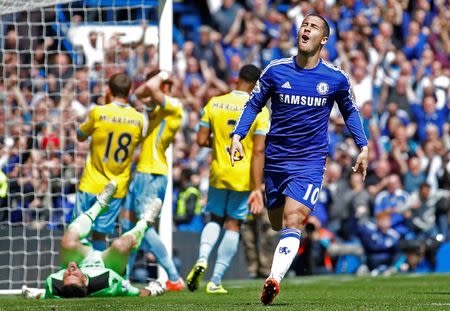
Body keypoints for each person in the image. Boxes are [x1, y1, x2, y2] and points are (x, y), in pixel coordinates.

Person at [230, 14, 368, 305]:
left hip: (310, 162)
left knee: (296, 219)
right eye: (304, 24)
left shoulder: (335, 77)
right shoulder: (276, 70)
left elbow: (350, 112)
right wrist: (237, 135)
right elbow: (253, 103)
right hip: (276, 161)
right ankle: (278, 266)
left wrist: (363, 145)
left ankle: (273, 279)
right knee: (277, 221)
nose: (306, 28)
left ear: (324, 39)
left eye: (313, 26)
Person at [186, 64, 269, 294]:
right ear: (255, 86)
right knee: (233, 224)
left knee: (214, 217)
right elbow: (259, 152)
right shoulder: (260, 110)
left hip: (219, 171)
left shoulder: (215, 103)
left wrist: (220, 139)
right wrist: (256, 187)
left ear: (236, 80)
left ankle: (202, 258)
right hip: (243, 175)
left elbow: (201, 140)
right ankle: (215, 281)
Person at [22, 181, 165, 299]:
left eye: (67, 275)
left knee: (67, 241)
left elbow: (47, 294)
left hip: (82, 260)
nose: (70, 271)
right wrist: (154, 290)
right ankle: (146, 222)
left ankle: (100, 205)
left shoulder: (54, 285)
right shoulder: (108, 284)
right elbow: (136, 292)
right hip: (110, 267)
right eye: (74, 275)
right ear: (84, 280)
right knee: (121, 245)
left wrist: (36, 294)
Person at [122, 70, 184, 291]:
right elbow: (140, 92)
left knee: (143, 226)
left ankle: (174, 278)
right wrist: (159, 77)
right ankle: (124, 278)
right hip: (142, 173)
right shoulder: (156, 108)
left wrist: (164, 74)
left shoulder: (174, 107)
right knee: (129, 226)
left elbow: (151, 89)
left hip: (152, 172)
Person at [72, 73, 148, 251]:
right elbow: (138, 142)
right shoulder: (138, 119)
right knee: (100, 233)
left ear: (108, 90)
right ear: (129, 92)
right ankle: (97, 273)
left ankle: (74, 272)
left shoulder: (99, 112)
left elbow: (80, 136)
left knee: (77, 231)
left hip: (91, 183)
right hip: (116, 187)